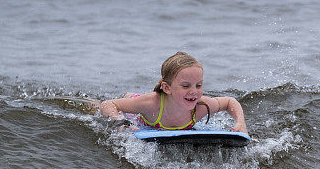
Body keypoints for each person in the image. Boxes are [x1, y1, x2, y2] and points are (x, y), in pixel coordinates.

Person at [98, 52, 248, 133]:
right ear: (167, 87)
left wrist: (240, 123)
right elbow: (108, 104)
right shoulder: (152, 103)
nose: (194, 92)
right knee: (97, 107)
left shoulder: (201, 106)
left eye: (198, 85)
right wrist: (118, 121)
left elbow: (229, 102)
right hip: (141, 110)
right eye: (185, 86)